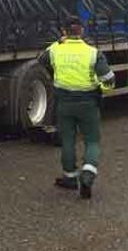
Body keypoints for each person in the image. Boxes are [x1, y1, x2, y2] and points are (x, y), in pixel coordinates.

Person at [40, 16, 115, 199]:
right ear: (82, 31)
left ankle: (70, 178)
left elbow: (41, 61)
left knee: (67, 140)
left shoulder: (55, 49)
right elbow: (109, 81)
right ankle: (88, 175)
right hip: (88, 103)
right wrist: (101, 89)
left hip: (64, 103)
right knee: (92, 141)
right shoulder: (93, 53)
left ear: (64, 31)